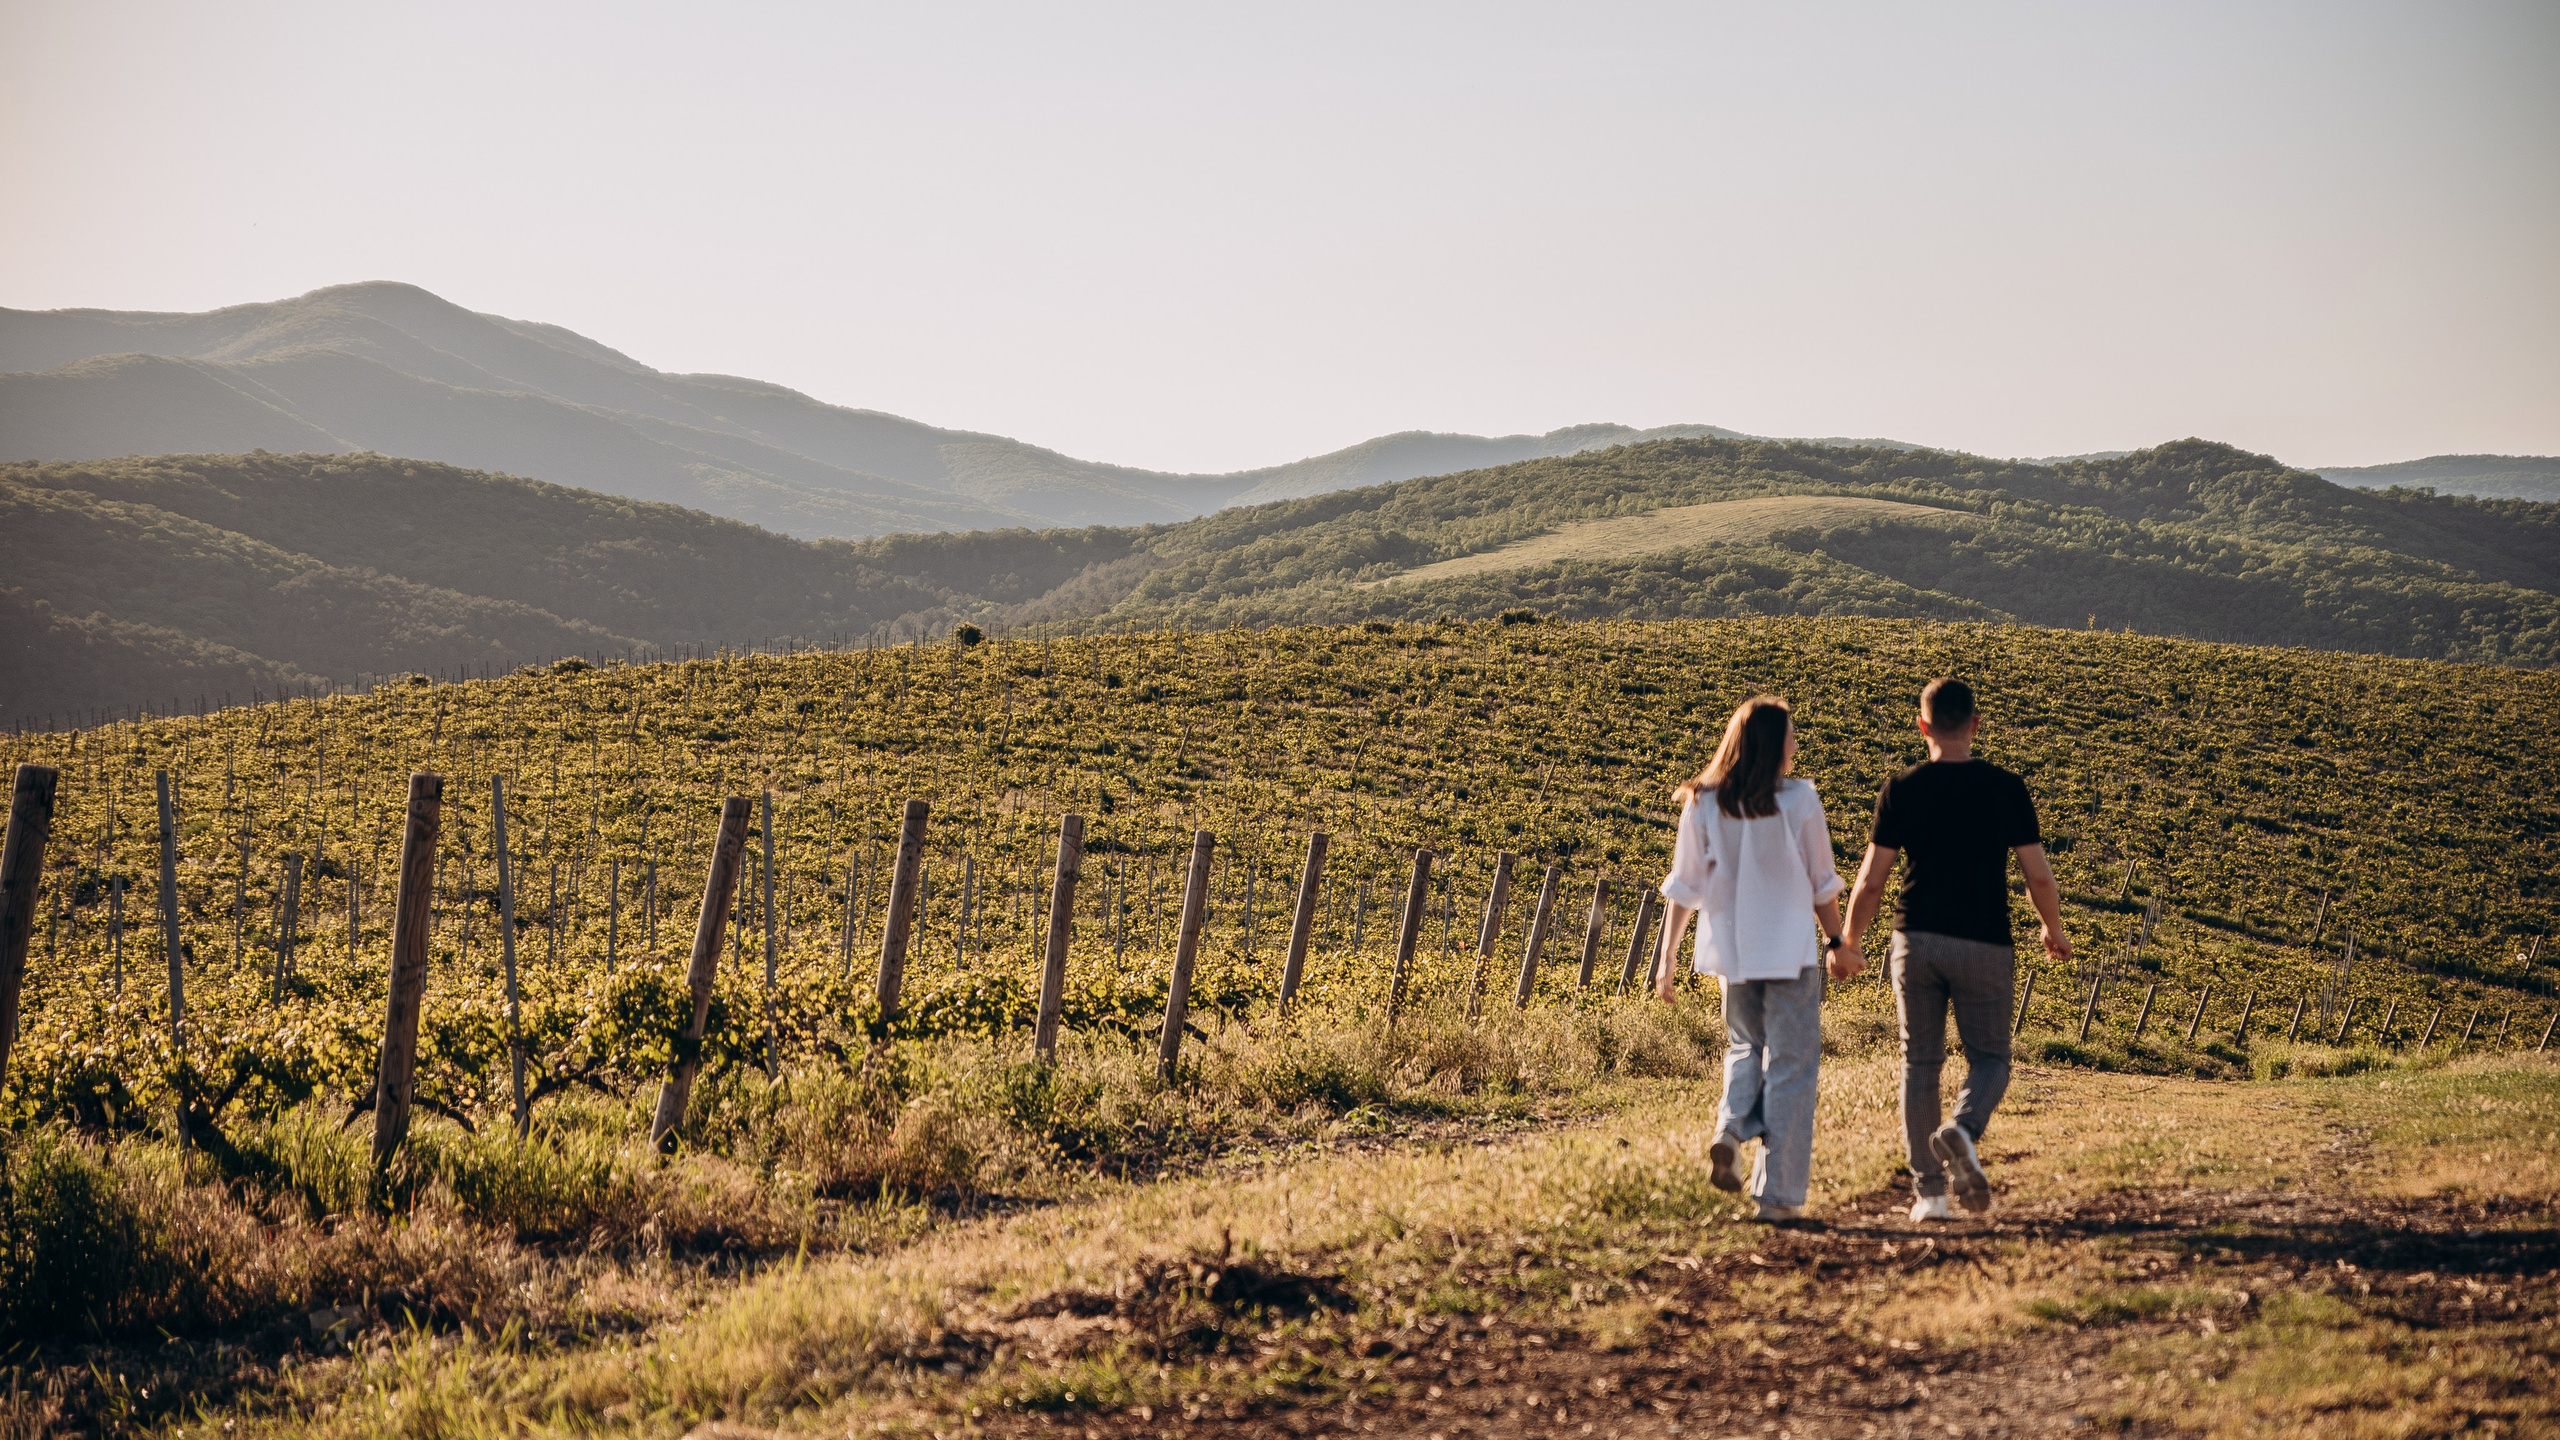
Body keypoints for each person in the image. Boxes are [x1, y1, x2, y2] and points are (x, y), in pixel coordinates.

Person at [1842, 676, 2070, 1222]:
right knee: (1990, 1058)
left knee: (1919, 1063)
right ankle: (1962, 1131)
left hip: (1915, 938)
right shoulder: (2007, 787)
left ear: (1921, 726)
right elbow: (2037, 876)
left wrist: (1849, 940)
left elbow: (1871, 881)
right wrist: (2052, 929)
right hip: (1985, 941)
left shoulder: (1901, 787)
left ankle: (1930, 1197)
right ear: (1975, 724)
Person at [1654, 694, 1859, 1223]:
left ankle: (1730, 1128)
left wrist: (1668, 957)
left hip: (1733, 955)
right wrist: (1837, 941)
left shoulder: (1701, 801)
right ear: (1773, 745)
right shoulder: (1799, 800)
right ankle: (1778, 1197)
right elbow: (1822, 885)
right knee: (1790, 1067)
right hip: (1790, 955)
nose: (1795, 744)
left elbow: (1685, 887)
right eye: (1790, 735)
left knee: (1745, 1048)